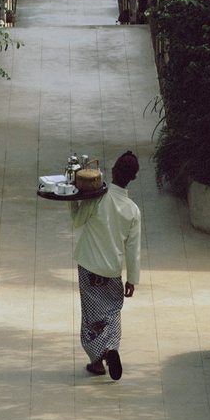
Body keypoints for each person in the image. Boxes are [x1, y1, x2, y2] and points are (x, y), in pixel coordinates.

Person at [69, 150, 141, 380]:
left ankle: (99, 360)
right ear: (133, 178)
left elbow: (77, 220)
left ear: (112, 171)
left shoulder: (98, 197)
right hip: (112, 271)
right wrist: (132, 279)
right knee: (111, 312)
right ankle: (110, 348)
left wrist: (72, 199)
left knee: (92, 315)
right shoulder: (133, 210)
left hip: (89, 265)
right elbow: (133, 248)